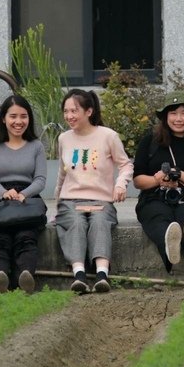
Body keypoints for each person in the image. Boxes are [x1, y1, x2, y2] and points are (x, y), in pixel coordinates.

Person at [54, 88, 134, 293]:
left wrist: (120, 185)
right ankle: (79, 274)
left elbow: (125, 165)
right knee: (76, 222)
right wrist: (57, 204)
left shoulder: (108, 136)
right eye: (66, 111)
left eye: (74, 111)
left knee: (99, 222)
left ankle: (102, 274)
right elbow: (62, 174)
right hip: (70, 201)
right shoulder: (64, 138)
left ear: (89, 112)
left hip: (101, 201)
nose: (69, 116)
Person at [134, 91, 184, 273]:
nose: (179, 119)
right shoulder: (149, 143)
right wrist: (157, 180)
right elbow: (138, 180)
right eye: (173, 113)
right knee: (158, 214)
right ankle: (169, 241)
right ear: (165, 117)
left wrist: (179, 174)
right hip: (154, 197)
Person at [0, 94, 47, 293]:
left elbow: (40, 180)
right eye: (13, 116)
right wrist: (4, 193)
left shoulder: (37, 146)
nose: (18, 121)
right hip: (1, 198)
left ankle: (24, 278)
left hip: (28, 198)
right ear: (4, 118)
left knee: (26, 237)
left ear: (29, 119)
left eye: (23, 116)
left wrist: (24, 194)